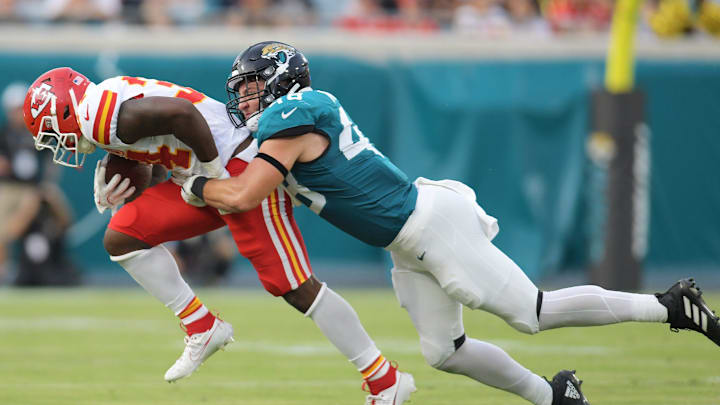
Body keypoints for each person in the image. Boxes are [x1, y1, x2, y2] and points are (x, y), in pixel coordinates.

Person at [181, 41, 720, 405]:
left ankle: (669, 304)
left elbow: (244, 192)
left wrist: (192, 184)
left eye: (251, 85)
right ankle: (554, 395)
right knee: (444, 353)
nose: (244, 96)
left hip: (430, 226)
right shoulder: (290, 118)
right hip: (406, 241)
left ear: (280, 82)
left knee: (533, 313)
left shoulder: (291, 116)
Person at [22, 68, 410, 396]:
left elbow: (181, 116)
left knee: (293, 286)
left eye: (52, 131)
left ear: (65, 111)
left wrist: (212, 174)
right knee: (123, 234)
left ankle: (385, 380)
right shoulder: (103, 109)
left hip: (237, 167)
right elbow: (163, 147)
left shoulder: (100, 118)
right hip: (200, 176)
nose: (58, 143)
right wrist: (137, 169)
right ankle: (201, 325)